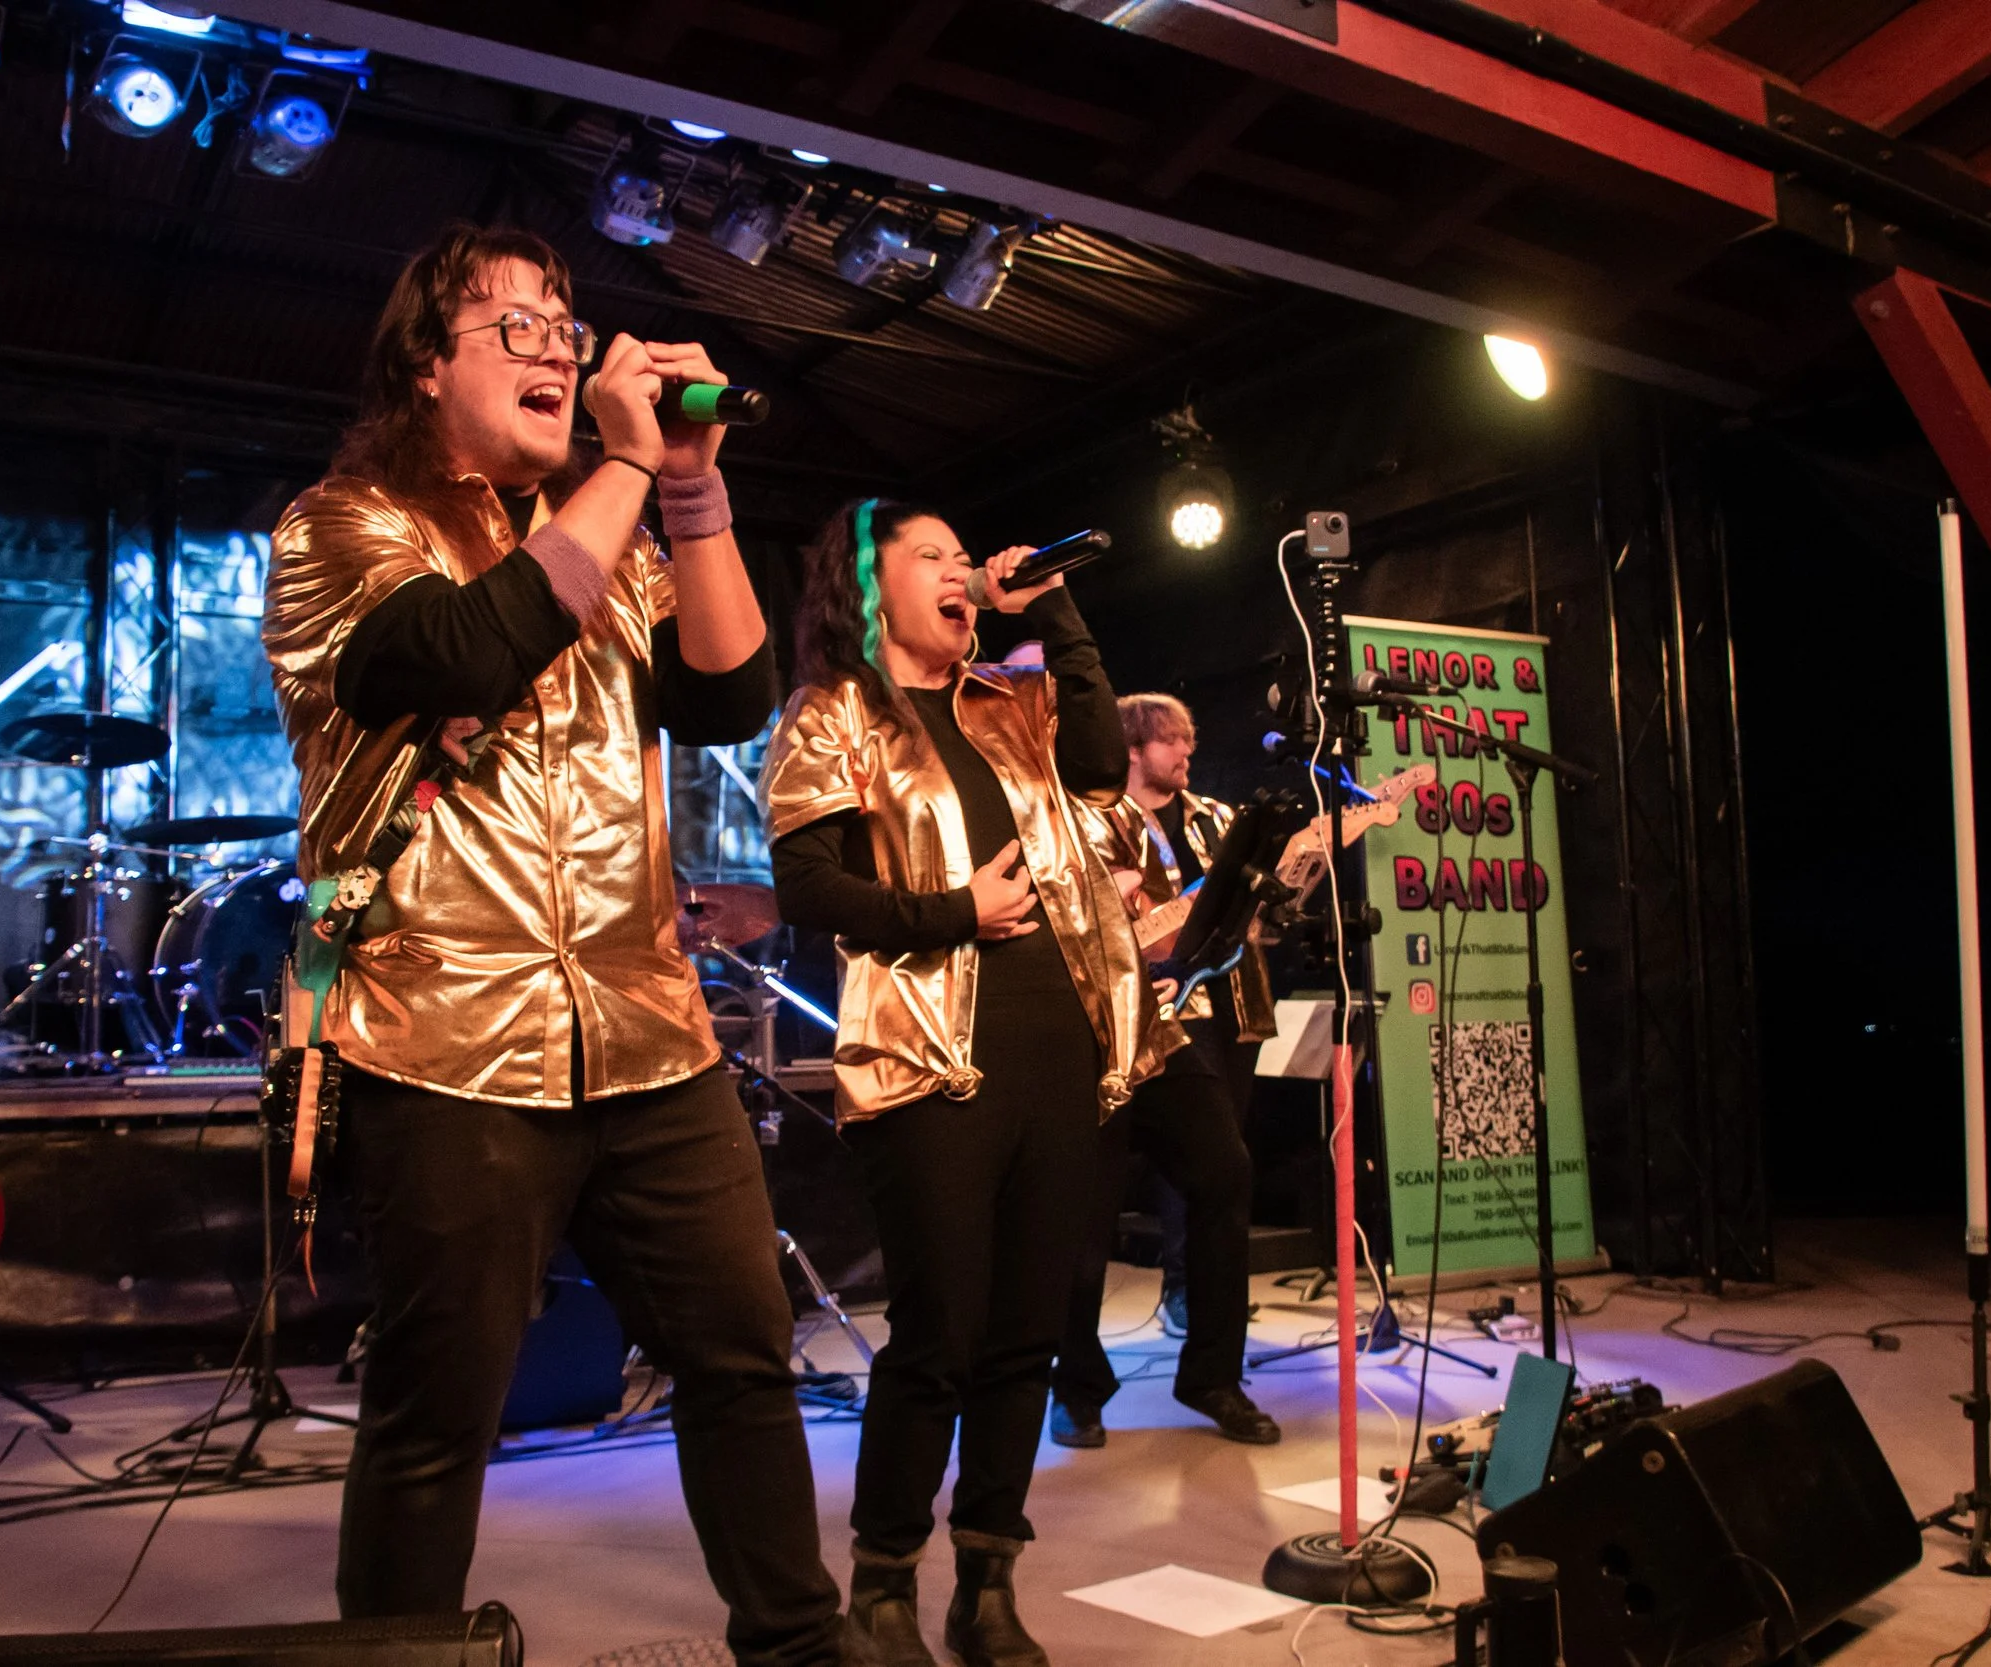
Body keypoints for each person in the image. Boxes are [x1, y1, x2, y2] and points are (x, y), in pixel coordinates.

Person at [261, 222, 845, 1664]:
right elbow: (463, 654)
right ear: (423, 363)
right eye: (511, 325)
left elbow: (728, 694)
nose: (555, 347)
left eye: (564, 322)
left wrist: (692, 485)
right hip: (444, 1036)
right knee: (435, 1407)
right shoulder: (344, 526)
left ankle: (800, 1639)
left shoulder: (616, 539)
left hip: (650, 1030)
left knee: (742, 1352)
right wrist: (630, 470)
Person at [762, 500, 1181, 1667]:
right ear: (867, 585)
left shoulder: (1017, 699)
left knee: (1026, 1332)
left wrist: (1049, 601)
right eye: (932, 558)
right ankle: (884, 1583)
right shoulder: (831, 713)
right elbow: (807, 884)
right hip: (932, 1052)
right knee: (937, 1331)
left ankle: (989, 1578)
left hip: (1065, 1044)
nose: (957, 573)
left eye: (963, 559)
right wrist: (956, 912)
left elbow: (1104, 757)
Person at [1051, 692, 1281, 1448]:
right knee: (1082, 1218)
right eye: (1170, 739)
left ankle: (1213, 1374)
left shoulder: (1208, 817)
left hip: (1172, 1029)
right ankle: (1076, 1387)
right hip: (1089, 1034)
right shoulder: (1064, 805)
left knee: (1225, 1170)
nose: (1184, 751)